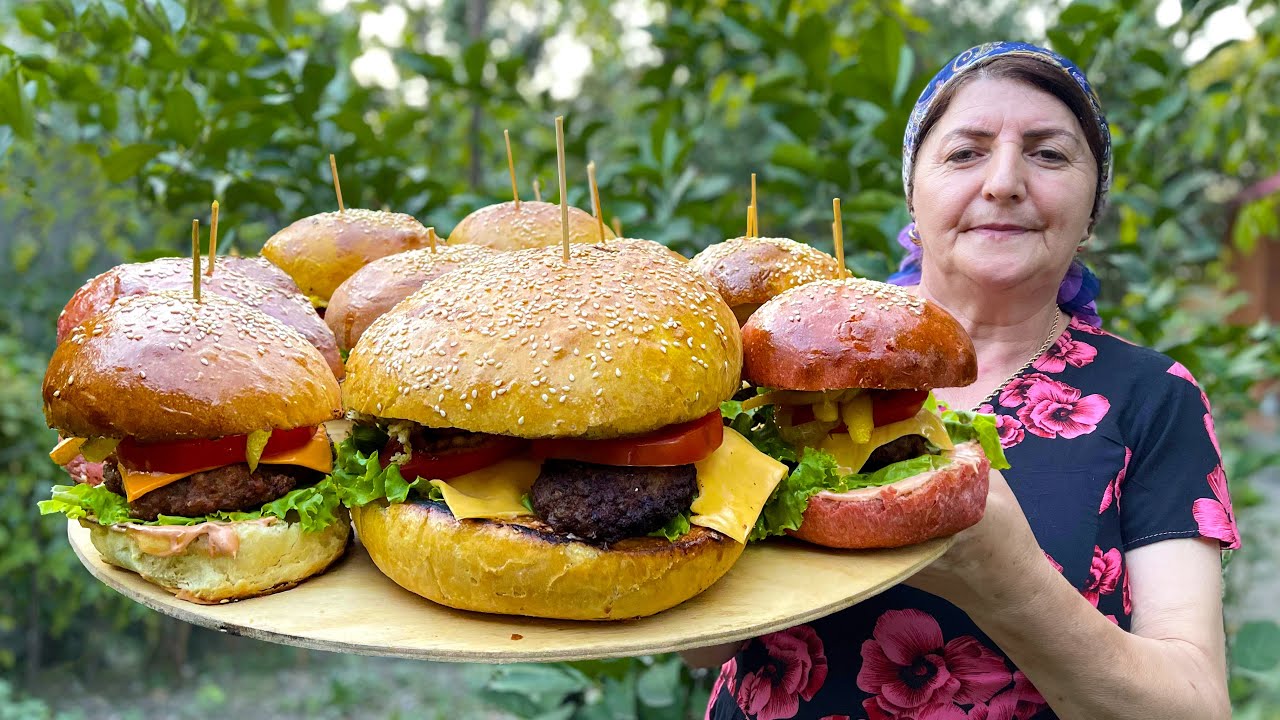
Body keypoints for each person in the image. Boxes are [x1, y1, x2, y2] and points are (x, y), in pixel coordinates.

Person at [684, 41, 1240, 720]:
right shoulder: (786, 363)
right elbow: (702, 649)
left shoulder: (1156, 398)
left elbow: (1195, 707)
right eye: (966, 152)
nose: (1004, 181)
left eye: (1049, 153)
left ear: (1091, 209)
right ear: (913, 198)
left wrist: (1007, 584)